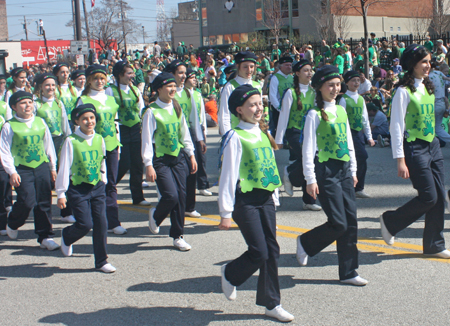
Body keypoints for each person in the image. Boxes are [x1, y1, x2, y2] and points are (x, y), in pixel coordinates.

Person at [218, 84, 294, 322]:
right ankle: (230, 273)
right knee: (259, 251)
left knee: (272, 250)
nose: (258, 108)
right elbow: (228, 175)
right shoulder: (234, 136)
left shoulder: (262, 134)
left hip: (265, 199)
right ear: (239, 110)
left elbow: (269, 168)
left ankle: (272, 303)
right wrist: (225, 211)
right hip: (245, 200)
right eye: (252, 105)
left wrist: (274, 195)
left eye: (260, 103)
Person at [296, 66, 368, 286]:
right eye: (330, 85)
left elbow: (349, 143)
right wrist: (310, 179)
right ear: (319, 88)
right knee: (338, 222)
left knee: (351, 222)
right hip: (326, 170)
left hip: (345, 169)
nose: (335, 89)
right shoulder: (314, 114)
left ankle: (349, 272)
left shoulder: (342, 110)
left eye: (338, 84)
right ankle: (306, 242)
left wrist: (354, 170)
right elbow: (308, 149)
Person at [380, 44, 450, 259]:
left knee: (439, 197)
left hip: (433, 145)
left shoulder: (429, 87)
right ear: (412, 65)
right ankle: (390, 221)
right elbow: (396, 127)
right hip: (414, 147)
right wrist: (400, 159)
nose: (428, 66)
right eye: (423, 62)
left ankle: (434, 245)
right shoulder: (403, 91)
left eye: (429, 61)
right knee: (428, 196)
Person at [56, 104, 116, 273]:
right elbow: (65, 167)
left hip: (96, 186)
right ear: (77, 121)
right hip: (77, 188)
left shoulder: (99, 138)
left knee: (101, 223)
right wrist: (61, 193)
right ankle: (67, 236)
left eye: (92, 118)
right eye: (84, 119)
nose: (89, 122)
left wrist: (103, 179)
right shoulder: (71, 141)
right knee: (85, 223)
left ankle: (102, 261)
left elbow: (102, 160)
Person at [142, 72, 197, 251]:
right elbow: (147, 140)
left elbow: (184, 132)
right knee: (170, 195)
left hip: (178, 156)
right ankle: (156, 215)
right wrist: (148, 164)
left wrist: (191, 154)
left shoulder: (176, 107)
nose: (173, 89)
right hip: (160, 160)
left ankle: (178, 235)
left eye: (174, 86)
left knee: (181, 196)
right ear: (159, 89)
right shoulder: (151, 112)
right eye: (168, 86)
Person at [0, 91, 59, 250]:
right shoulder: (9, 125)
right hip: (21, 169)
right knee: (27, 201)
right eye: (23, 103)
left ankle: (45, 236)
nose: (28, 106)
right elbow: (4, 151)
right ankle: (13, 222)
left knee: (44, 202)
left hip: (41, 166)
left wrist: (53, 167)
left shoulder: (40, 121)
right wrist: (11, 171)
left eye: (30, 102)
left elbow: (48, 146)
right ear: (14, 107)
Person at [78, 65, 125, 235]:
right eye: (96, 78)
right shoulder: (83, 100)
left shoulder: (111, 99)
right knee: (93, 183)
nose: (99, 82)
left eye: (102, 78)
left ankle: (113, 221)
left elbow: (115, 123)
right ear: (89, 81)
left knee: (110, 184)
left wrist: (118, 145)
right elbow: (76, 127)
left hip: (111, 146)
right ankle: (90, 218)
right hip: (92, 148)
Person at [275, 60, 321, 211]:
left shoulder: (315, 92)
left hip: (310, 132)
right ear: (297, 73)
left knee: (309, 161)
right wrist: (279, 139)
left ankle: (308, 199)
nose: (309, 73)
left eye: (310, 70)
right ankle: (290, 173)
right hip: (294, 131)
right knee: (309, 159)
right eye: (306, 70)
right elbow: (284, 116)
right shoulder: (291, 93)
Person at [106, 61, 150, 207]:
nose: (132, 76)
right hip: (121, 129)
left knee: (137, 163)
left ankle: (138, 197)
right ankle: (108, 189)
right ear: (120, 75)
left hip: (135, 129)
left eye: (132, 73)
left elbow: (141, 109)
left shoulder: (135, 90)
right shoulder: (110, 90)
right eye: (129, 73)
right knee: (123, 163)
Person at [164, 60, 204, 216]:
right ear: (172, 74)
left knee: (192, 171)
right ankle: (169, 204)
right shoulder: (167, 93)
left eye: (184, 73)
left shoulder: (188, 93)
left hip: (188, 136)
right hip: (173, 138)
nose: (183, 76)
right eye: (180, 73)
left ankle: (190, 207)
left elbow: (193, 117)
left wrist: (200, 139)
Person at [33, 73, 73, 222]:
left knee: (64, 174)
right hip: (43, 144)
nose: (50, 88)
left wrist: (69, 139)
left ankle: (66, 212)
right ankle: (45, 210)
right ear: (41, 88)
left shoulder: (59, 103)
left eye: (52, 85)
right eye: (47, 85)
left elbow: (65, 124)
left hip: (59, 141)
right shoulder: (36, 104)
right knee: (49, 178)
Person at [339, 71, 376, 198]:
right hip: (348, 133)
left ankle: (358, 188)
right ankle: (349, 187)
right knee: (352, 159)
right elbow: (341, 119)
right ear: (347, 83)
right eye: (353, 80)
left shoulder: (361, 99)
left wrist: (369, 137)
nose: (356, 83)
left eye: (358, 81)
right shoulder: (344, 99)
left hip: (358, 133)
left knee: (361, 159)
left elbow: (365, 119)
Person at [218, 51, 261, 135]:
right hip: (236, 133)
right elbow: (224, 114)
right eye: (245, 67)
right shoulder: (230, 86)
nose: (249, 70)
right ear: (238, 66)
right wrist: (227, 135)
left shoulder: (257, 86)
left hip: (254, 132)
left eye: (252, 67)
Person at [184, 69, 211, 197]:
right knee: (190, 158)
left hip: (198, 128)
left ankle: (202, 184)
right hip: (187, 128)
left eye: (195, 77)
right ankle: (190, 185)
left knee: (201, 158)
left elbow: (201, 115)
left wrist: (203, 129)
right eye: (192, 77)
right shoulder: (183, 94)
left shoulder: (198, 94)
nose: (195, 80)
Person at [268, 56, 293, 136]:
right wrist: (279, 108)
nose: (289, 67)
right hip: (280, 109)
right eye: (286, 65)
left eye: (290, 65)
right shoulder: (275, 78)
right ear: (281, 66)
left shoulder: (291, 77)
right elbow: (272, 95)